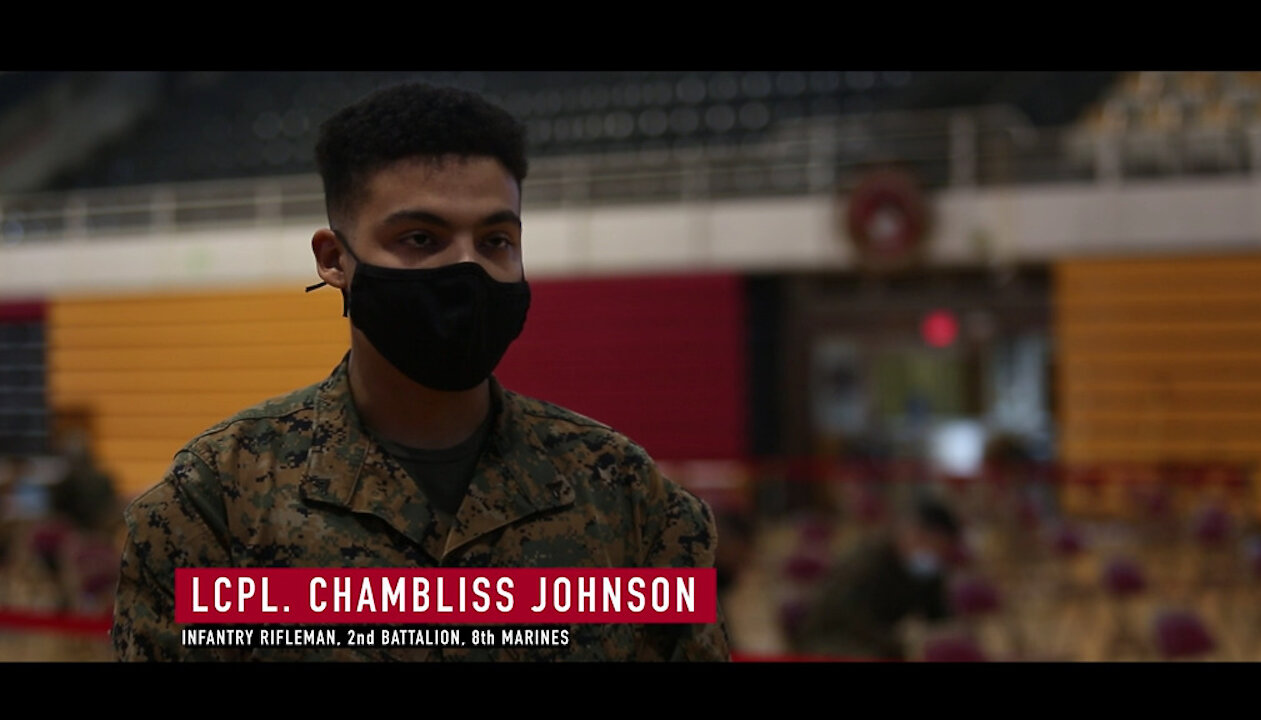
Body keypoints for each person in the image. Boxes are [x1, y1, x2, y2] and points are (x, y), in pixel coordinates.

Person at [111, 82, 731, 661]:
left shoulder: (628, 497)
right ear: (334, 259)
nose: (468, 270)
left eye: (495, 241)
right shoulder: (217, 500)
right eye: (420, 238)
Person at [791, 495, 962, 660]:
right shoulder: (866, 563)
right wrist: (900, 643)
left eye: (940, 550)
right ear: (912, 533)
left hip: (882, 642)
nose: (933, 555)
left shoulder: (928, 568)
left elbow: (937, 616)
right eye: (929, 544)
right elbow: (850, 617)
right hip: (834, 638)